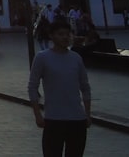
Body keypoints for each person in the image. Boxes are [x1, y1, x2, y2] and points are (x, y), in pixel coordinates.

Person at [28, 19, 92, 156]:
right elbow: (32, 87)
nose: (65, 37)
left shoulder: (76, 58)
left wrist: (87, 113)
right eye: (60, 34)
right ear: (51, 36)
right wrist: (38, 114)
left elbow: (85, 87)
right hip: (53, 119)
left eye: (67, 34)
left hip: (77, 119)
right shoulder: (42, 58)